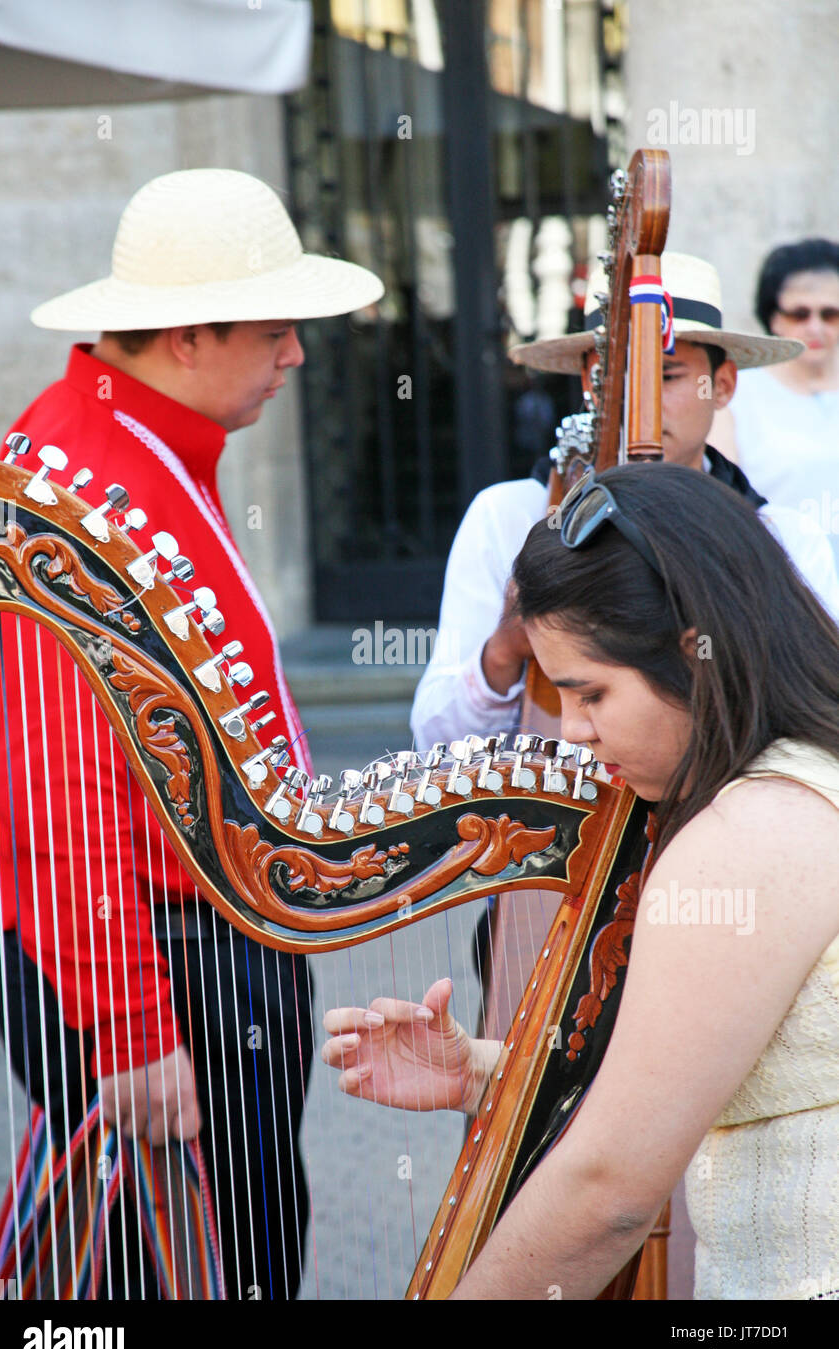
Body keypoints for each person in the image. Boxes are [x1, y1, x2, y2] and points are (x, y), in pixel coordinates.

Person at [0, 168, 383, 1299]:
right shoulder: (79, 490)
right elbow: (46, 787)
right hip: (160, 957)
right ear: (189, 337)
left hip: (187, 944)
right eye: (274, 331)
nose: (295, 356)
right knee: (188, 1268)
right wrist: (132, 1024)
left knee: (219, 1256)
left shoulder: (126, 450)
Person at [323, 462, 839, 1300]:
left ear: (691, 651)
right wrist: (495, 1073)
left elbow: (608, 1195)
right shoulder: (808, 775)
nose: (575, 732)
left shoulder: (750, 836)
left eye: (590, 692)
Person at [410, 252, 839, 752]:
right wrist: (503, 652)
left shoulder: (783, 536)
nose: (639, 405)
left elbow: (821, 719)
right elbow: (433, 743)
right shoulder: (509, 516)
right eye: (617, 379)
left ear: (721, 386)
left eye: (666, 376)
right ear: (590, 387)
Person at [710, 238, 839, 568]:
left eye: (830, 314)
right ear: (774, 318)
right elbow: (724, 504)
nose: (816, 327)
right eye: (799, 314)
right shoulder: (733, 396)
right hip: (781, 581)